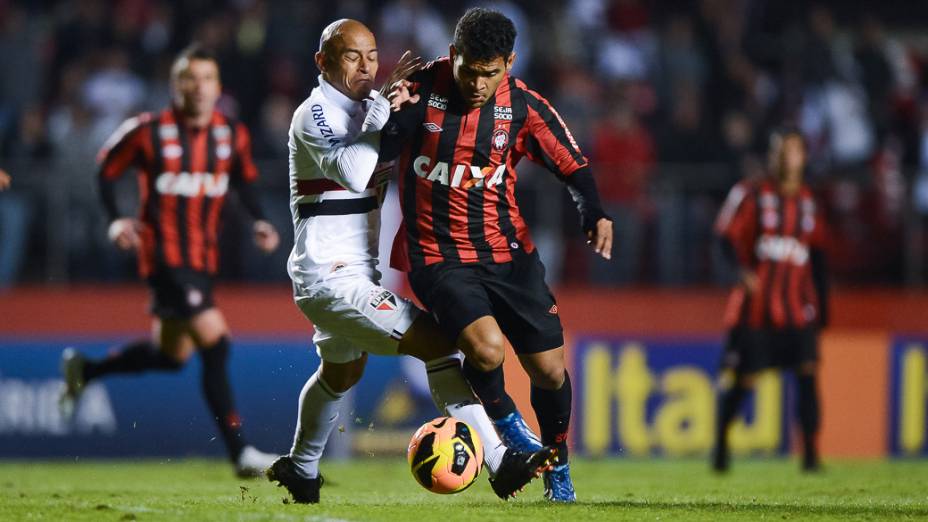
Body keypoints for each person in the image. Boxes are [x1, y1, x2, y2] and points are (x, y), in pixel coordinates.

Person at [266, 19, 555, 504]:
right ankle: (501, 460)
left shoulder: (372, 110)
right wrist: (386, 110)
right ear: (323, 62)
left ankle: (301, 467)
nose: (365, 66)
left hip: (357, 272)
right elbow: (356, 173)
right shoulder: (314, 112)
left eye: (371, 55)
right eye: (350, 56)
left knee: (340, 375)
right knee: (441, 347)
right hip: (329, 276)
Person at [380, 8, 614, 502]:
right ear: (453, 55)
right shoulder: (417, 89)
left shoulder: (523, 105)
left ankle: (557, 461)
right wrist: (388, 114)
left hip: (508, 253)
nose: (479, 83)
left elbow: (572, 162)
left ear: (508, 63)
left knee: (550, 370)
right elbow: (376, 154)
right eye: (470, 70)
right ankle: (511, 432)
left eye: (491, 73)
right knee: (486, 349)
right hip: (437, 254)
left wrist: (593, 211)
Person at [59, 44, 281, 478]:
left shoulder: (231, 134)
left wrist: (259, 221)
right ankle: (240, 453)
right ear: (174, 85)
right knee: (216, 342)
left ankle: (87, 369)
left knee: (172, 354)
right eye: (189, 79)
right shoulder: (147, 130)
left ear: (218, 87)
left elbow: (244, 182)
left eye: (206, 79)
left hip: (202, 259)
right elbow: (104, 170)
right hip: (162, 256)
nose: (198, 88)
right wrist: (115, 219)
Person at [711, 129, 828, 473]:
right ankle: (721, 443)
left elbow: (818, 256)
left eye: (794, 150)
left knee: (808, 375)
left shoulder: (808, 202)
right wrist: (739, 271)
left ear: (804, 156)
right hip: (756, 310)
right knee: (745, 380)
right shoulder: (750, 193)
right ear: (772, 155)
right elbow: (723, 238)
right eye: (781, 150)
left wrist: (823, 308)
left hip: (798, 310)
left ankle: (810, 455)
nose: (787, 157)